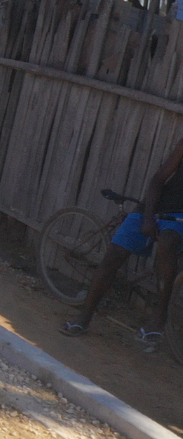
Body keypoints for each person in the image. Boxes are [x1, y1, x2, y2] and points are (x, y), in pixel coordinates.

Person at [63, 135, 183, 342]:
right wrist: (147, 217)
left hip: (179, 217)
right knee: (114, 254)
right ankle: (84, 316)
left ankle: (159, 315)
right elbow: (158, 179)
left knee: (168, 242)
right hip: (153, 208)